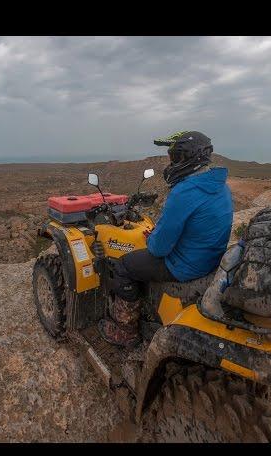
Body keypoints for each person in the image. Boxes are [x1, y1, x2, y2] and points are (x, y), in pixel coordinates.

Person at [99, 131, 234, 347]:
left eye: (176, 157)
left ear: (190, 158)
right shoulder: (220, 186)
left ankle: (125, 331)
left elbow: (158, 249)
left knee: (124, 266)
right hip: (209, 259)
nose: (172, 163)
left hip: (185, 266)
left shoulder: (185, 191)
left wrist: (152, 238)